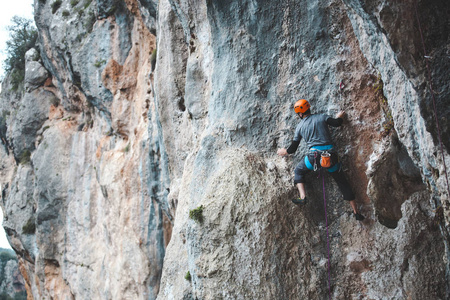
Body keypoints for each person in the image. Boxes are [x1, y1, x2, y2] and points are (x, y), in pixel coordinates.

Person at [277, 99, 365, 221]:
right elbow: (337, 123)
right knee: (342, 181)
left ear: (300, 114)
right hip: (330, 157)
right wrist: (339, 116)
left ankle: (303, 197)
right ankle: (356, 212)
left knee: (298, 171)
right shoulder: (322, 117)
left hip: (314, 158)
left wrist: (284, 151)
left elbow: (293, 148)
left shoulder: (300, 127)